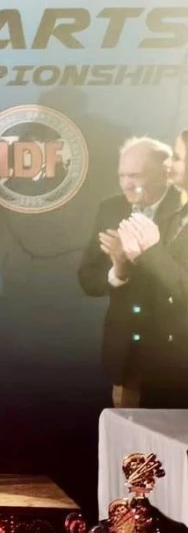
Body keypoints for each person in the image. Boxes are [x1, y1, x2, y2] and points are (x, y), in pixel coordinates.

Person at [78, 137, 179, 408]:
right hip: (126, 357)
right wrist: (118, 270)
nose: (126, 184)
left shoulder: (183, 210)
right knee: (127, 432)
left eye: (135, 175)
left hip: (175, 359)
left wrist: (147, 255)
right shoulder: (110, 209)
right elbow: (88, 279)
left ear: (165, 173)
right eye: (122, 175)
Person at [117, 130, 188, 409]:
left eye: (178, 158)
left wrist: (151, 251)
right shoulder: (177, 215)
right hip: (161, 367)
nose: (168, 163)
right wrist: (129, 261)